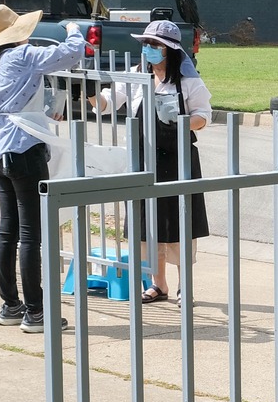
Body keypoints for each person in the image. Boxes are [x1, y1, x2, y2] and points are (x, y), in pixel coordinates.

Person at [0, 4, 88, 333]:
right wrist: (73, 29)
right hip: (24, 148)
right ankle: (37, 312)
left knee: (7, 231)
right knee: (30, 235)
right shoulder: (21, 56)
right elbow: (69, 55)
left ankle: (10, 304)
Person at [91, 17, 212, 304]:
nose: (149, 49)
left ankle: (186, 287)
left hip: (179, 158)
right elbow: (109, 102)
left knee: (181, 222)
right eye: (146, 44)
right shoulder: (134, 75)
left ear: (170, 50)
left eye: (155, 45)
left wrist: (182, 122)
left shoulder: (188, 81)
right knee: (147, 222)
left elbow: (203, 116)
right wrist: (89, 96)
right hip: (143, 158)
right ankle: (159, 285)